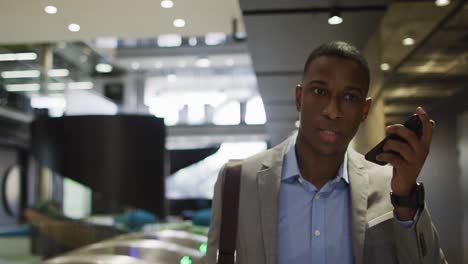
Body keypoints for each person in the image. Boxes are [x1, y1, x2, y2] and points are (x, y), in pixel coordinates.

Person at [207, 41, 447, 264]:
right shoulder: (239, 181)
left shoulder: (391, 189)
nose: (333, 111)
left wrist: (405, 198)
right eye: (320, 92)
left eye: (350, 97)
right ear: (299, 98)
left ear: (365, 110)